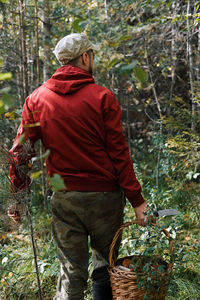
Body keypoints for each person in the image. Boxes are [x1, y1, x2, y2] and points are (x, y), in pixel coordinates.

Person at [8, 33, 147, 300]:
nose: (92, 59)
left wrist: (17, 199)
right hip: (105, 198)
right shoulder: (103, 97)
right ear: (85, 57)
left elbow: (20, 154)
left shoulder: (36, 100)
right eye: (92, 55)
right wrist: (136, 199)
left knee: (71, 272)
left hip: (65, 198)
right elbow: (119, 154)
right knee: (105, 268)